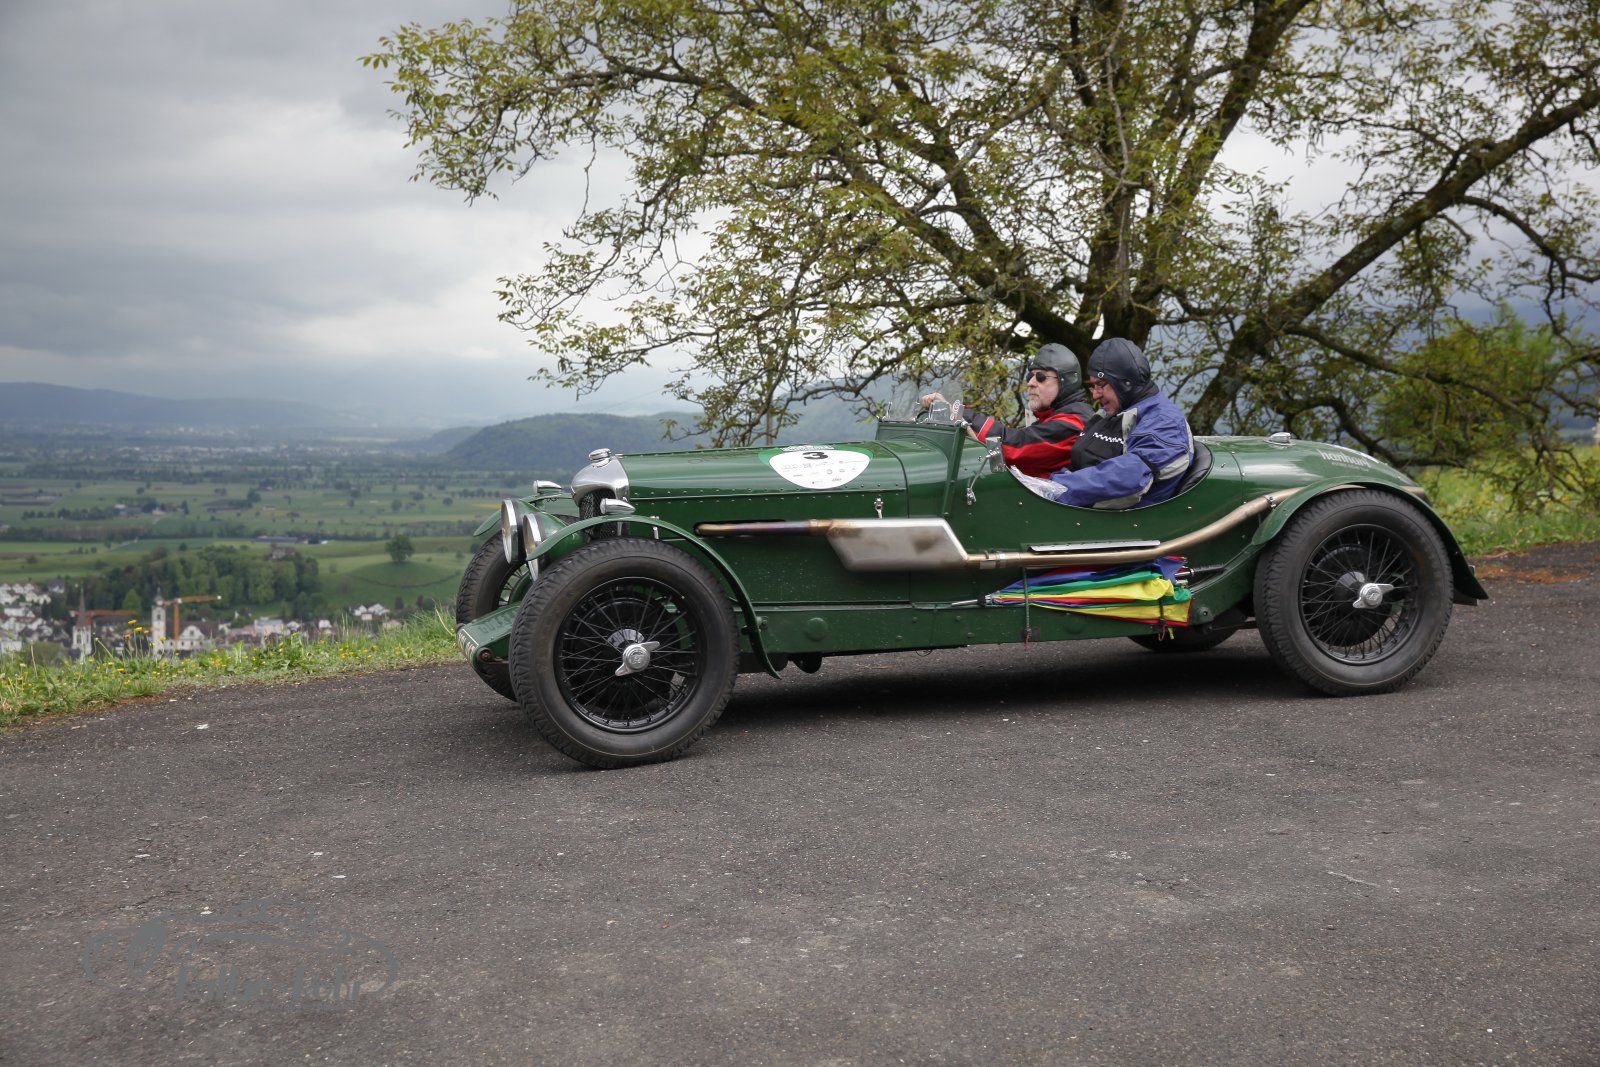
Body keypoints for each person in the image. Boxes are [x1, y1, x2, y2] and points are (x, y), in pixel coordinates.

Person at [1044, 337, 1193, 509]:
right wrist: (1044, 483)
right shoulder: (1113, 412)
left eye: (1100, 385)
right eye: (1093, 386)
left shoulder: (1165, 422)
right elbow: (1081, 463)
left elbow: (1130, 479)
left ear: (1125, 383)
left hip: (1128, 522)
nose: (1095, 395)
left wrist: (1054, 489)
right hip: (1086, 514)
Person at [918, 344, 1094, 478]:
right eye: (1030, 376)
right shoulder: (1054, 417)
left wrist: (958, 414)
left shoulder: (1073, 423)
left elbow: (1014, 447)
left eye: (1040, 376)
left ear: (1065, 381)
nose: (1031, 383)